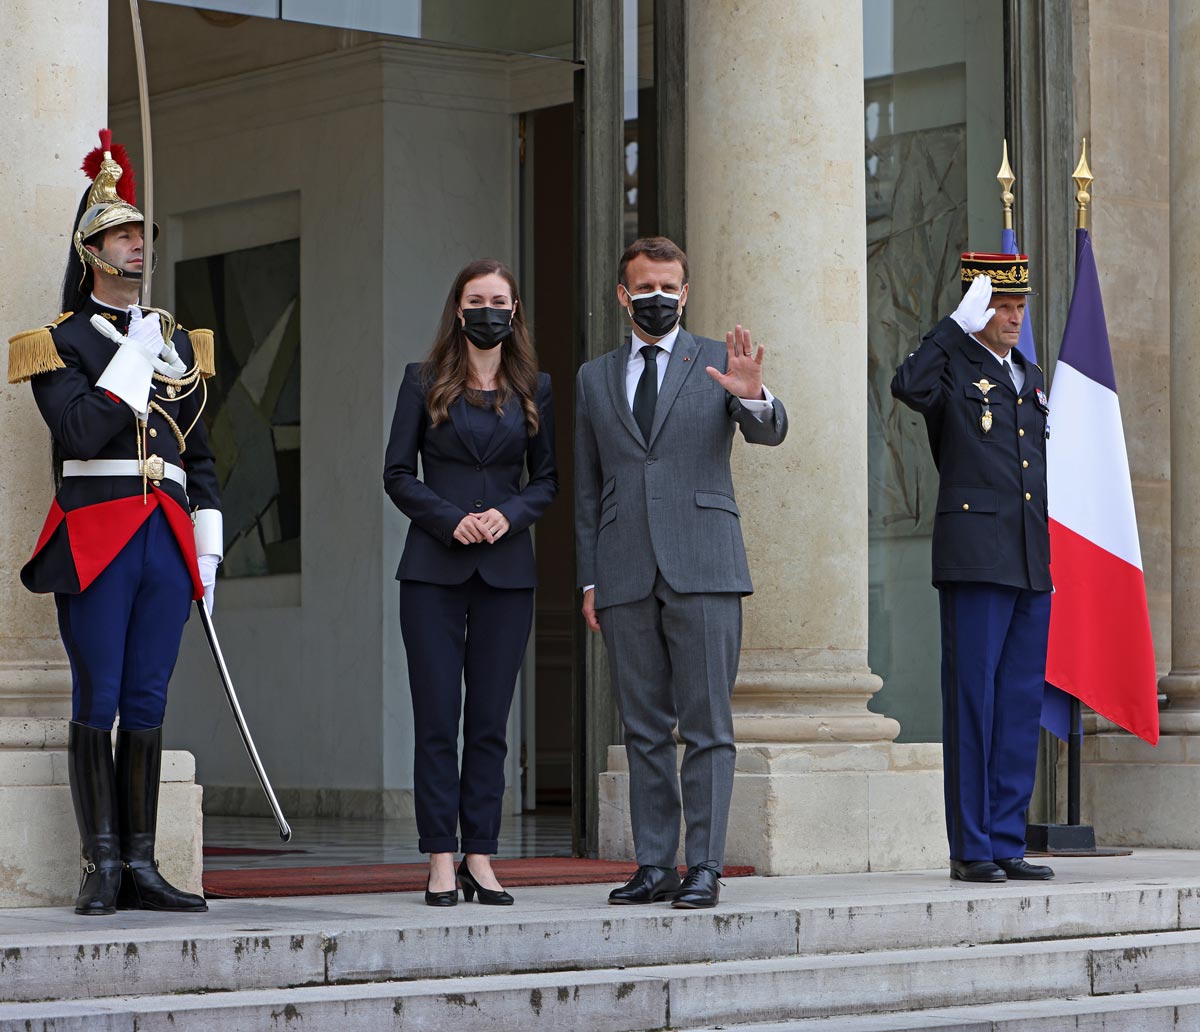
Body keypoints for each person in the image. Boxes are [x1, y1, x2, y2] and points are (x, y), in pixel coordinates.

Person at [7, 130, 222, 915]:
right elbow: (81, 434)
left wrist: (210, 543)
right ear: (92, 250)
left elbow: (198, 452)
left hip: (166, 538)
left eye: (141, 236)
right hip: (96, 536)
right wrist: (131, 352)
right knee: (98, 695)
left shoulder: (175, 342)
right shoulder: (56, 343)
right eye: (124, 237)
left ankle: (141, 864)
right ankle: (100, 865)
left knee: (151, 696)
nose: (139, 247)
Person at [574, 236, 788, 909]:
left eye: (670, 288)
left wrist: (755, 398)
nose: (658, 298)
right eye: (645, 288)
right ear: (622, 294)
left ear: (686, 292)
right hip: (625, 571)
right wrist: (589, 579)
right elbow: (586, 489)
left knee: (706, 727)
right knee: (642, 729)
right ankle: (654, 865)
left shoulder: (719, 362)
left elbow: (770, 431)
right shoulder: (593, 377)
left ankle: (703, 866)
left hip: (705, 566)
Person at [384, 258, 557, 907]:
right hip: (432, 569)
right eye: (476, 299)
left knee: (489, 721)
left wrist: (506, 517)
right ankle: (438, 858)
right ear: (459, 310)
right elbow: (397, 472)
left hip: (508, 574)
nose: (488, 310)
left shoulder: (535, 388)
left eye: (500, 300)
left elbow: (547, 482)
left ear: (514, 313)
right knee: (437, 719)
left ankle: (480, 855)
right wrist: (449, 520)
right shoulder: (421, 380)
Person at [891, 252, 1055, 884]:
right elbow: (907, 385)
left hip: (1028, 556)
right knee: (973, 703)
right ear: (976, 309)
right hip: (974, 556)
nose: (1013, 318)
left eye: (1019, 307)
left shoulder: (1029, 376)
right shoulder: (949, 363)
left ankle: (1009, 839)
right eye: (1001, 306)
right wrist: (951, 328)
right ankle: (973, 846)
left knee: (1017, 702)